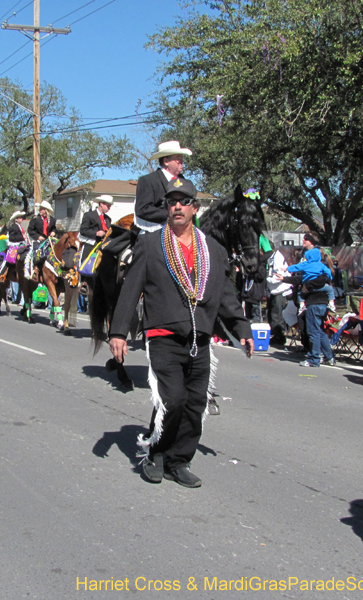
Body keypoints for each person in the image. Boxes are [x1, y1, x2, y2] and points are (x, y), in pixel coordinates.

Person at [109, 179, 254, 488]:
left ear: (194, 208)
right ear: (167, 208)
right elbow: (131, 288)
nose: (177, 206)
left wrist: (242, 328)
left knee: (194, 403)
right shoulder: (150, 244)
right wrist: (119, 332)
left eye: (183, 201)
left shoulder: (212, 249)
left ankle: (180, 460)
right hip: (163, 336)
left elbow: (226, 292)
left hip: (200, 340)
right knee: (172, 399)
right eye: (172, 202)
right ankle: (156, 454)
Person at [134, 141, 191, 233]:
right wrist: (171, 213)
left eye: (181, 158)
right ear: (166, 161)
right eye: (178, 158)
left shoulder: (184, 181)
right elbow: (142, 210)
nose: (181, 161)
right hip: (155, 234)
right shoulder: (148, 180)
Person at [265, 247, 292, 346]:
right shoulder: (271, 258)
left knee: (277, 314)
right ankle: (276, 335)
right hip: (273, 290)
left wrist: (267, 279)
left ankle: (280, 337)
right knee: (271, 314)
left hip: (280, 290)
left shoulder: (277, 257)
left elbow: (279, 276)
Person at [78, 195, 113, 264]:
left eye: (109, 207)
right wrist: (96, 233)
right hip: (91, 244)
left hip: (103, 246)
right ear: (101, 204)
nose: (109, 209)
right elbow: (83, 230)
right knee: (86, 264)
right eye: (108, 206)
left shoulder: (108, 219)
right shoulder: (89, 215)